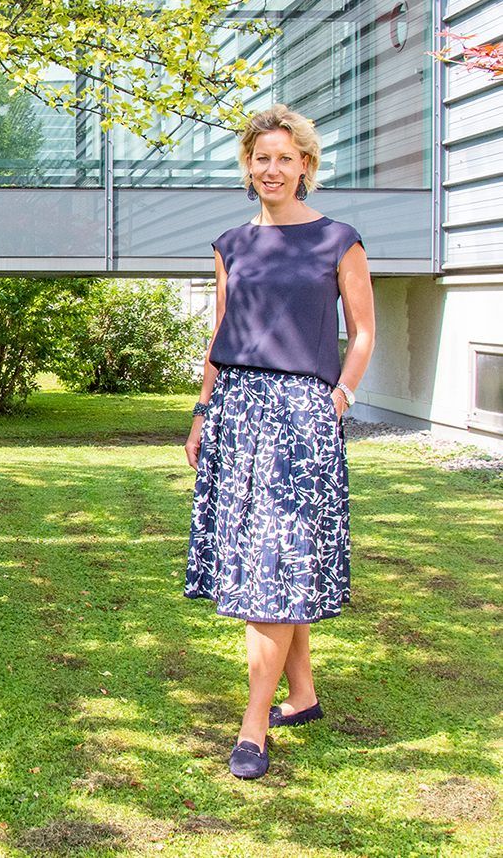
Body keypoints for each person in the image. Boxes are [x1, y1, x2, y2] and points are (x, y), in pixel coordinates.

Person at [183, 105, 375, 779]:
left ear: (305, 166)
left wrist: (340, 397)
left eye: (284, 158)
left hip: (301, 412)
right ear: (248, 165)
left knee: (273, 562)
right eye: (260, 158)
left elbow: (364, 331)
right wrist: (203, 409)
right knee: (271, 558)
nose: (272, 169)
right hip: (236, 407)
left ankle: (253, 727)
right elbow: (221, 332)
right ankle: (303, 694)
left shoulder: (337, 239)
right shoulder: (231, 244)